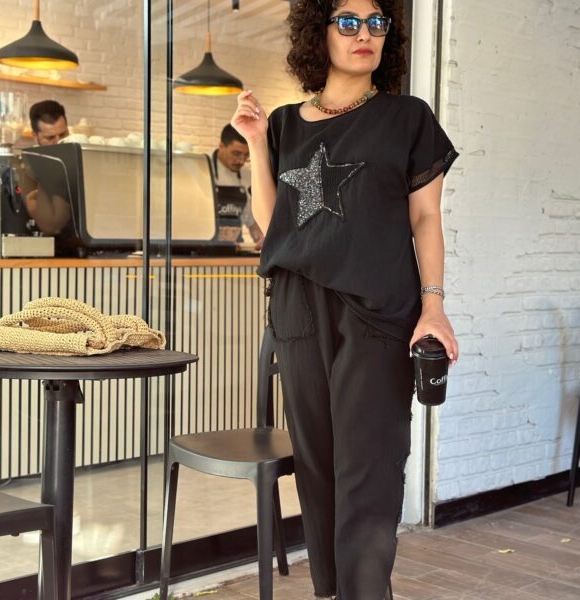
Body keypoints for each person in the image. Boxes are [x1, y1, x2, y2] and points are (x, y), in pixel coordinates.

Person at [231, 1, 459, 598]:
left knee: (370, 469)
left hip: (378, 308)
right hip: (297, 307)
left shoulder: (408, 117)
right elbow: (272, 225)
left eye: (377, 23)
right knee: (318, 466)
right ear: (319, 34)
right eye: (348, 22)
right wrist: (256, 144)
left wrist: (433, 305)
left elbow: (426, 217)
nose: (365, 34)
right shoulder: (284, 123)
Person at [23, 100, 71, 233]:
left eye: (63, 134)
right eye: (50, 138)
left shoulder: (80, 159)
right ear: (35, 136)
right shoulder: (27, 168)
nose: (59, 141)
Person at [212, 123, 263, 246]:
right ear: (221, 146)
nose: (241, 160)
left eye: (246, 155)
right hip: (205, 247)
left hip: (235, 247)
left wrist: (262, 238)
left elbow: (252, 219)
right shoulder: (204, 169)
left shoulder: (247, 176)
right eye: (236, 153)